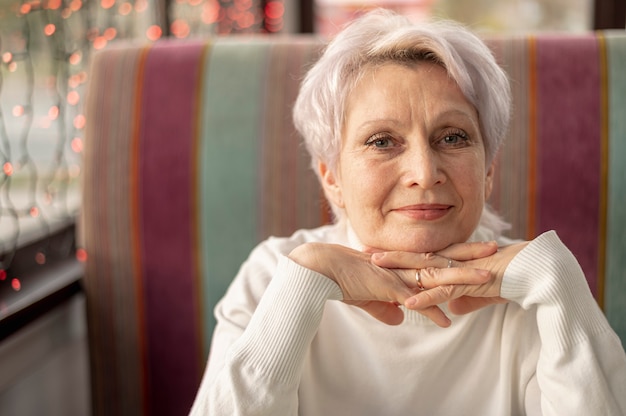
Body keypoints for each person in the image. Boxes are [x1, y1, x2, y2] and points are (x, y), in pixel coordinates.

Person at [189, 9, 626, 415]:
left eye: (452, 137)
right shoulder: (272, 276)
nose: (424, 172)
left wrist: (561, 289)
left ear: (488, 171)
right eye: (382, 141)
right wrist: (301, 289)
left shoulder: (538, 289)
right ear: (332, 177)